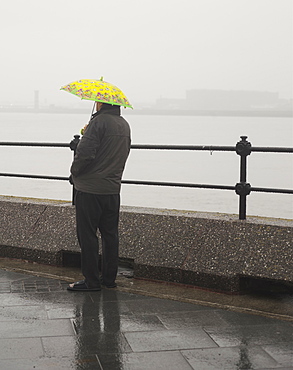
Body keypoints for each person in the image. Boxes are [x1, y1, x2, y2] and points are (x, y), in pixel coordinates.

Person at [67, 101, 131, 291]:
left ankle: (91, 281)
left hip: (90, 190)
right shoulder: (124, 125)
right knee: (110, 235)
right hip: (112, 189)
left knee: (87, 235)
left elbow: (86, 155)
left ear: (101, 102)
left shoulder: (98, 123)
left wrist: (74, 171)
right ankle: (109, 279)